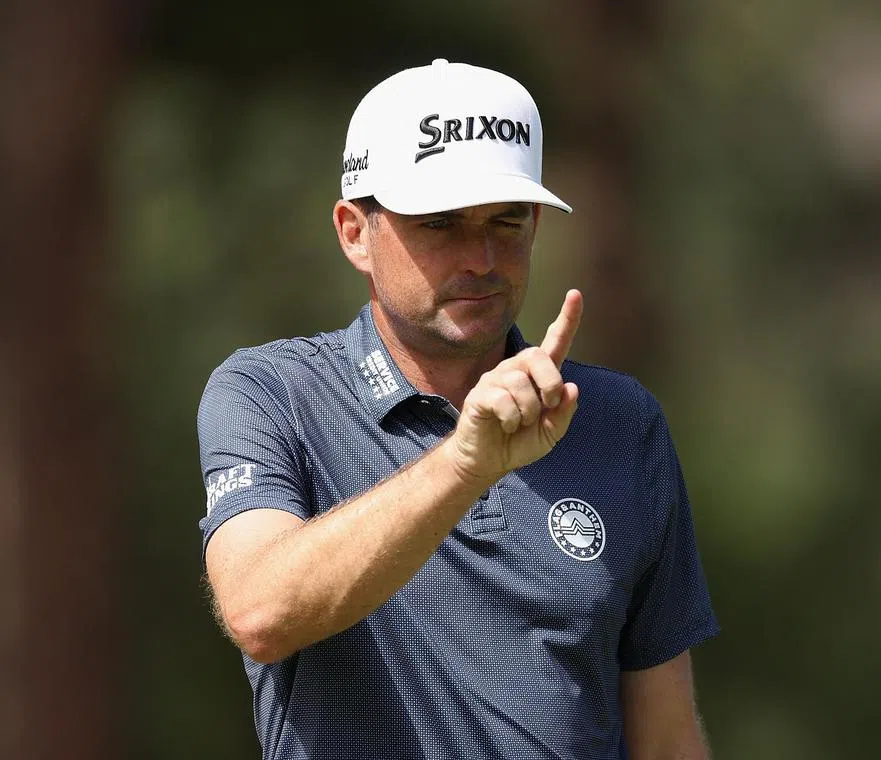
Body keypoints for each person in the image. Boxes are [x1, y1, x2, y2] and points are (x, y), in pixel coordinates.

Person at [197, 59, 718, 760]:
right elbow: (260, 610)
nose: (482, 257)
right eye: (440, 223)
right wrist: (466, 462)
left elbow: (668, 737)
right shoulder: (273, 393)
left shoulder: (620, 421)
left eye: (507, 221)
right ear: (355, 232)